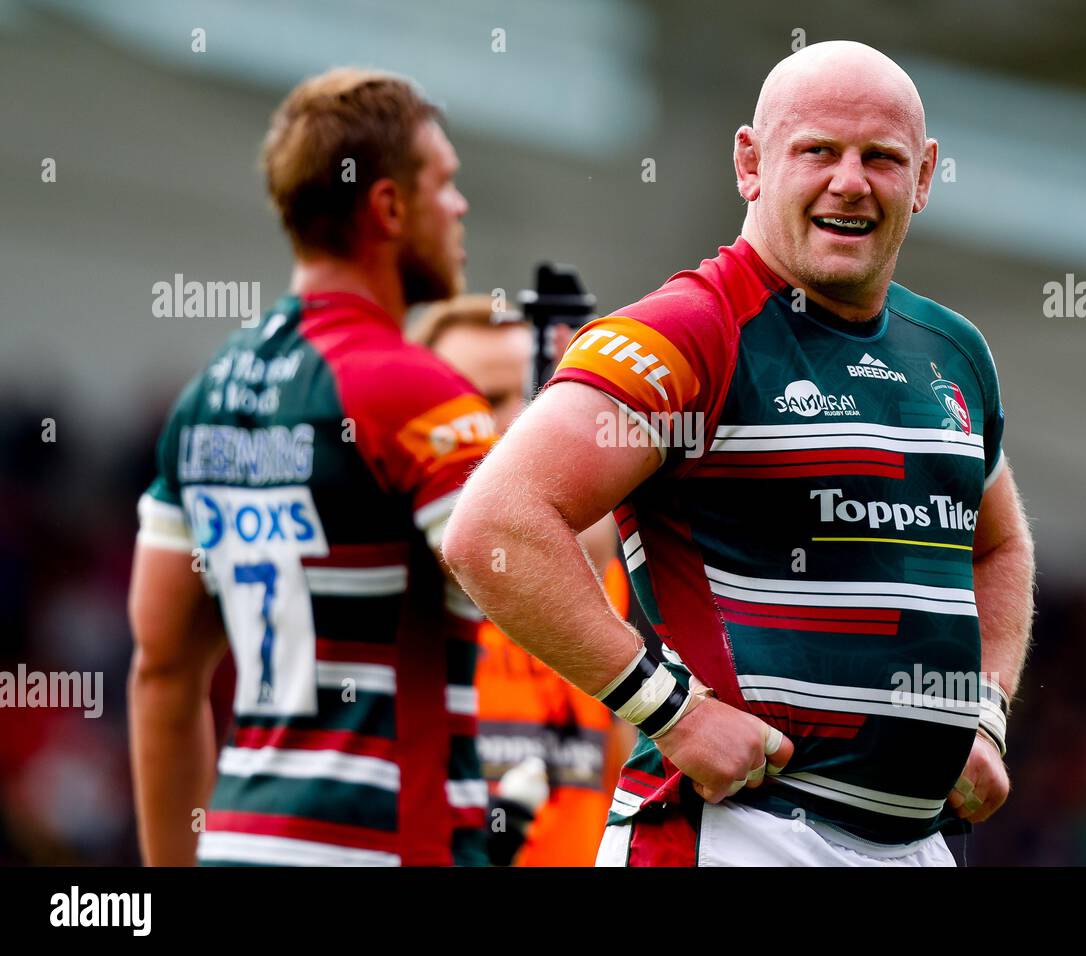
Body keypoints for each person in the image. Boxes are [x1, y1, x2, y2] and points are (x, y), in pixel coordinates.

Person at [442, 41, 1035, 866]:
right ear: (751, 163)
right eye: (818, 151)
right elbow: (494, 527)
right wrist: (675, 714)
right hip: (739, 834)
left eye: (882, 158)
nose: (851, 182)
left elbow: (1000, 544)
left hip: (921, 844)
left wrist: (984, 713)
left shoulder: (952, 352)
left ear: (925, 176)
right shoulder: (688, 331)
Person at [127, 68, 496, 866]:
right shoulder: (412, 390)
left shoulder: (204, 397)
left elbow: (160, 671)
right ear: (389, 207)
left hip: (238, 846)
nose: (461, 207)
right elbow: (529, 580)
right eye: (447, 184)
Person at [410, 295, 636, 865]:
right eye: (482, 401)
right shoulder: (401, 571)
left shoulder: (600, 567)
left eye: (534, 397)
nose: (515, 423)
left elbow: (617, 751)